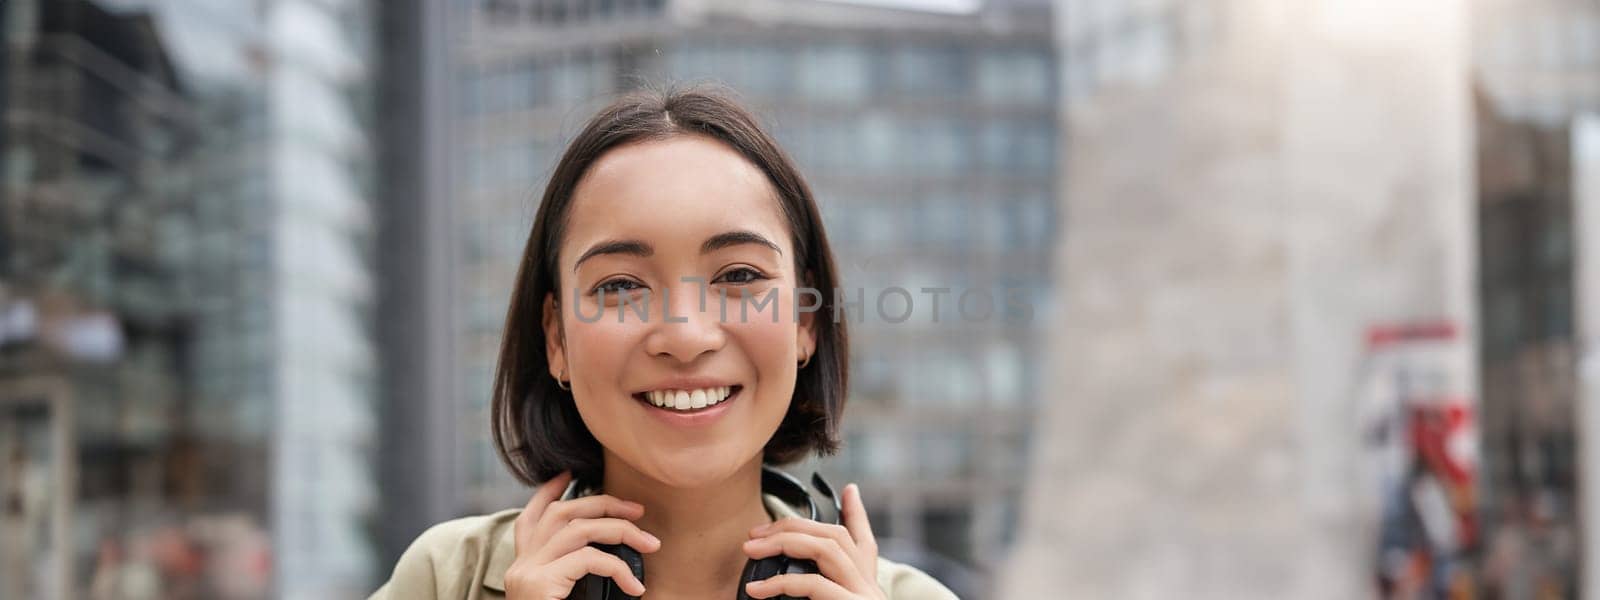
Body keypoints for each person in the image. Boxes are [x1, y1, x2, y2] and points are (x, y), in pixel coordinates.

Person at [369, 85, 960, 600]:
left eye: (739, 277)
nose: (685, 337)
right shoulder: (446, 579)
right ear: (557, 339)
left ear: (806, 320)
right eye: (622, 285)